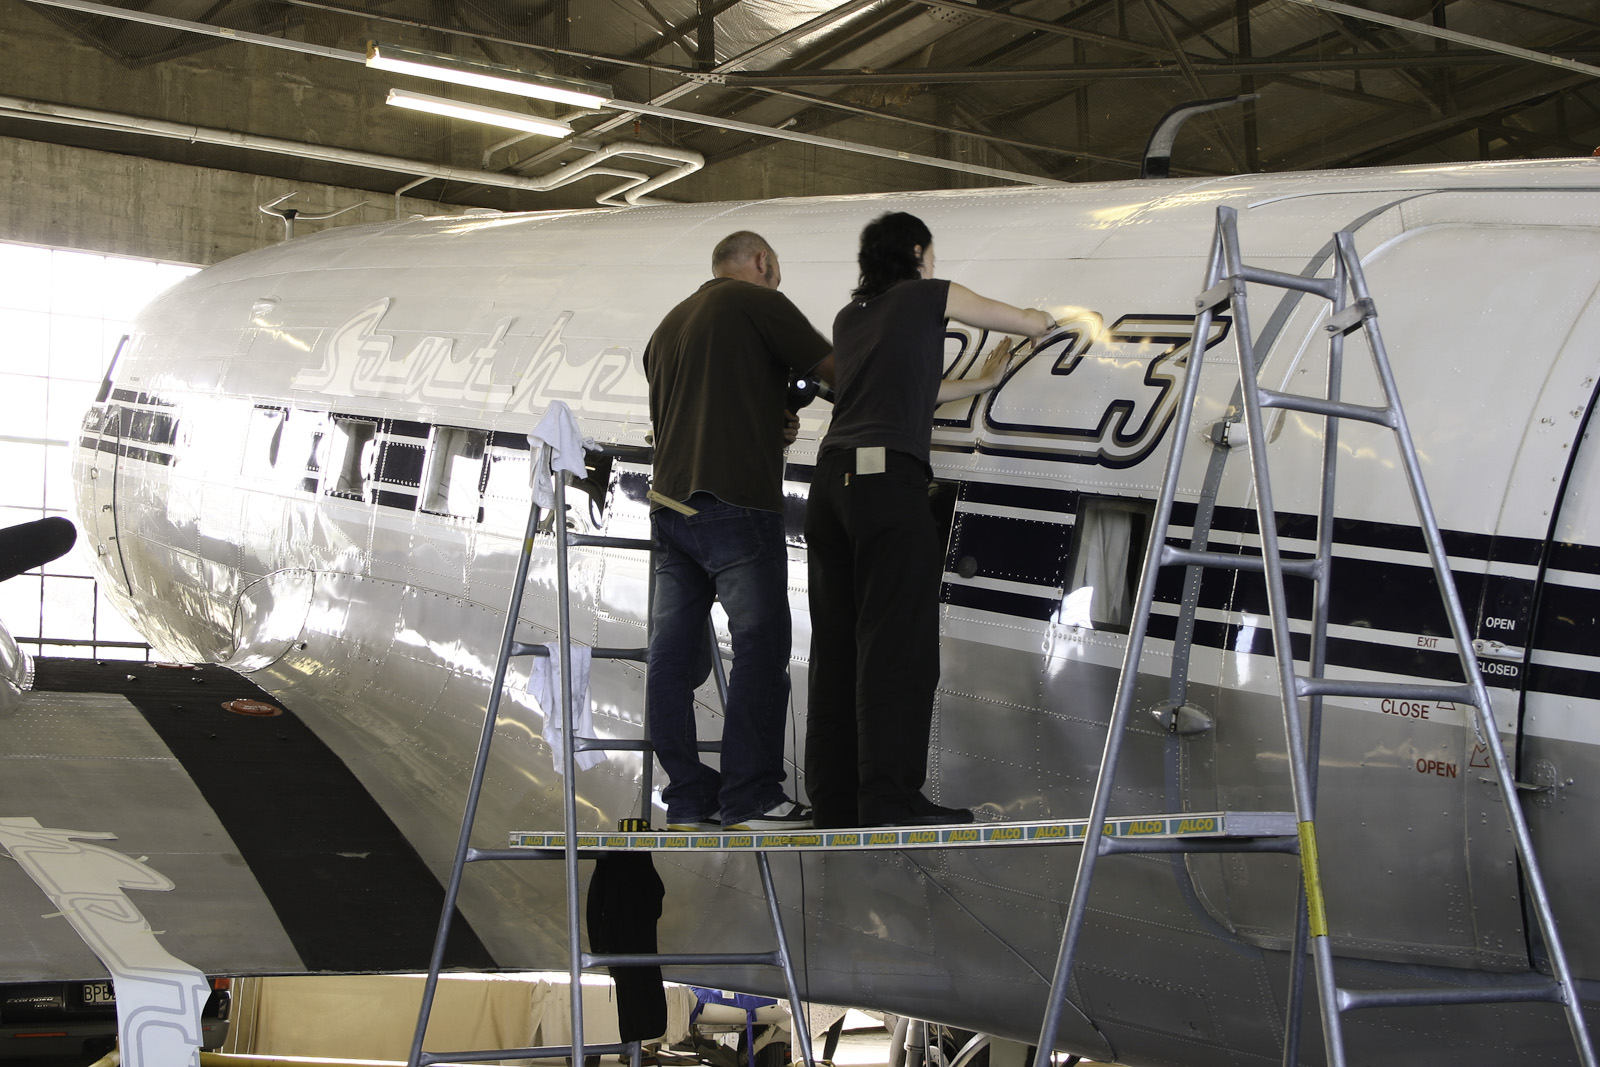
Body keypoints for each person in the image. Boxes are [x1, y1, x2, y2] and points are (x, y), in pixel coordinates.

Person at [805, 211, 1054, 829]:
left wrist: (981, 380)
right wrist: (1041, 321)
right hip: (885, 483)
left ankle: (835, 800)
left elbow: (907, 388)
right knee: (898, 645)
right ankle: (890, 800)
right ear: (917, 251)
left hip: (830, 483)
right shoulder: (926, 295)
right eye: (932, 253)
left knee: (838, 645)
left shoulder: (851, 317)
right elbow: (1018, 319)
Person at [644, 231, 833, 832]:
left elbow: (694, 410)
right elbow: (835, 371)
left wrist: (768, 416)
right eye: (776, 272)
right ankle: (751, 797)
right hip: (735, 504)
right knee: (761, 645)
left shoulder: (668, 326)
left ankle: (688, 798)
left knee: (670, 658)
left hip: (670, 507)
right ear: (762, 262)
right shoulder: (756, 301)